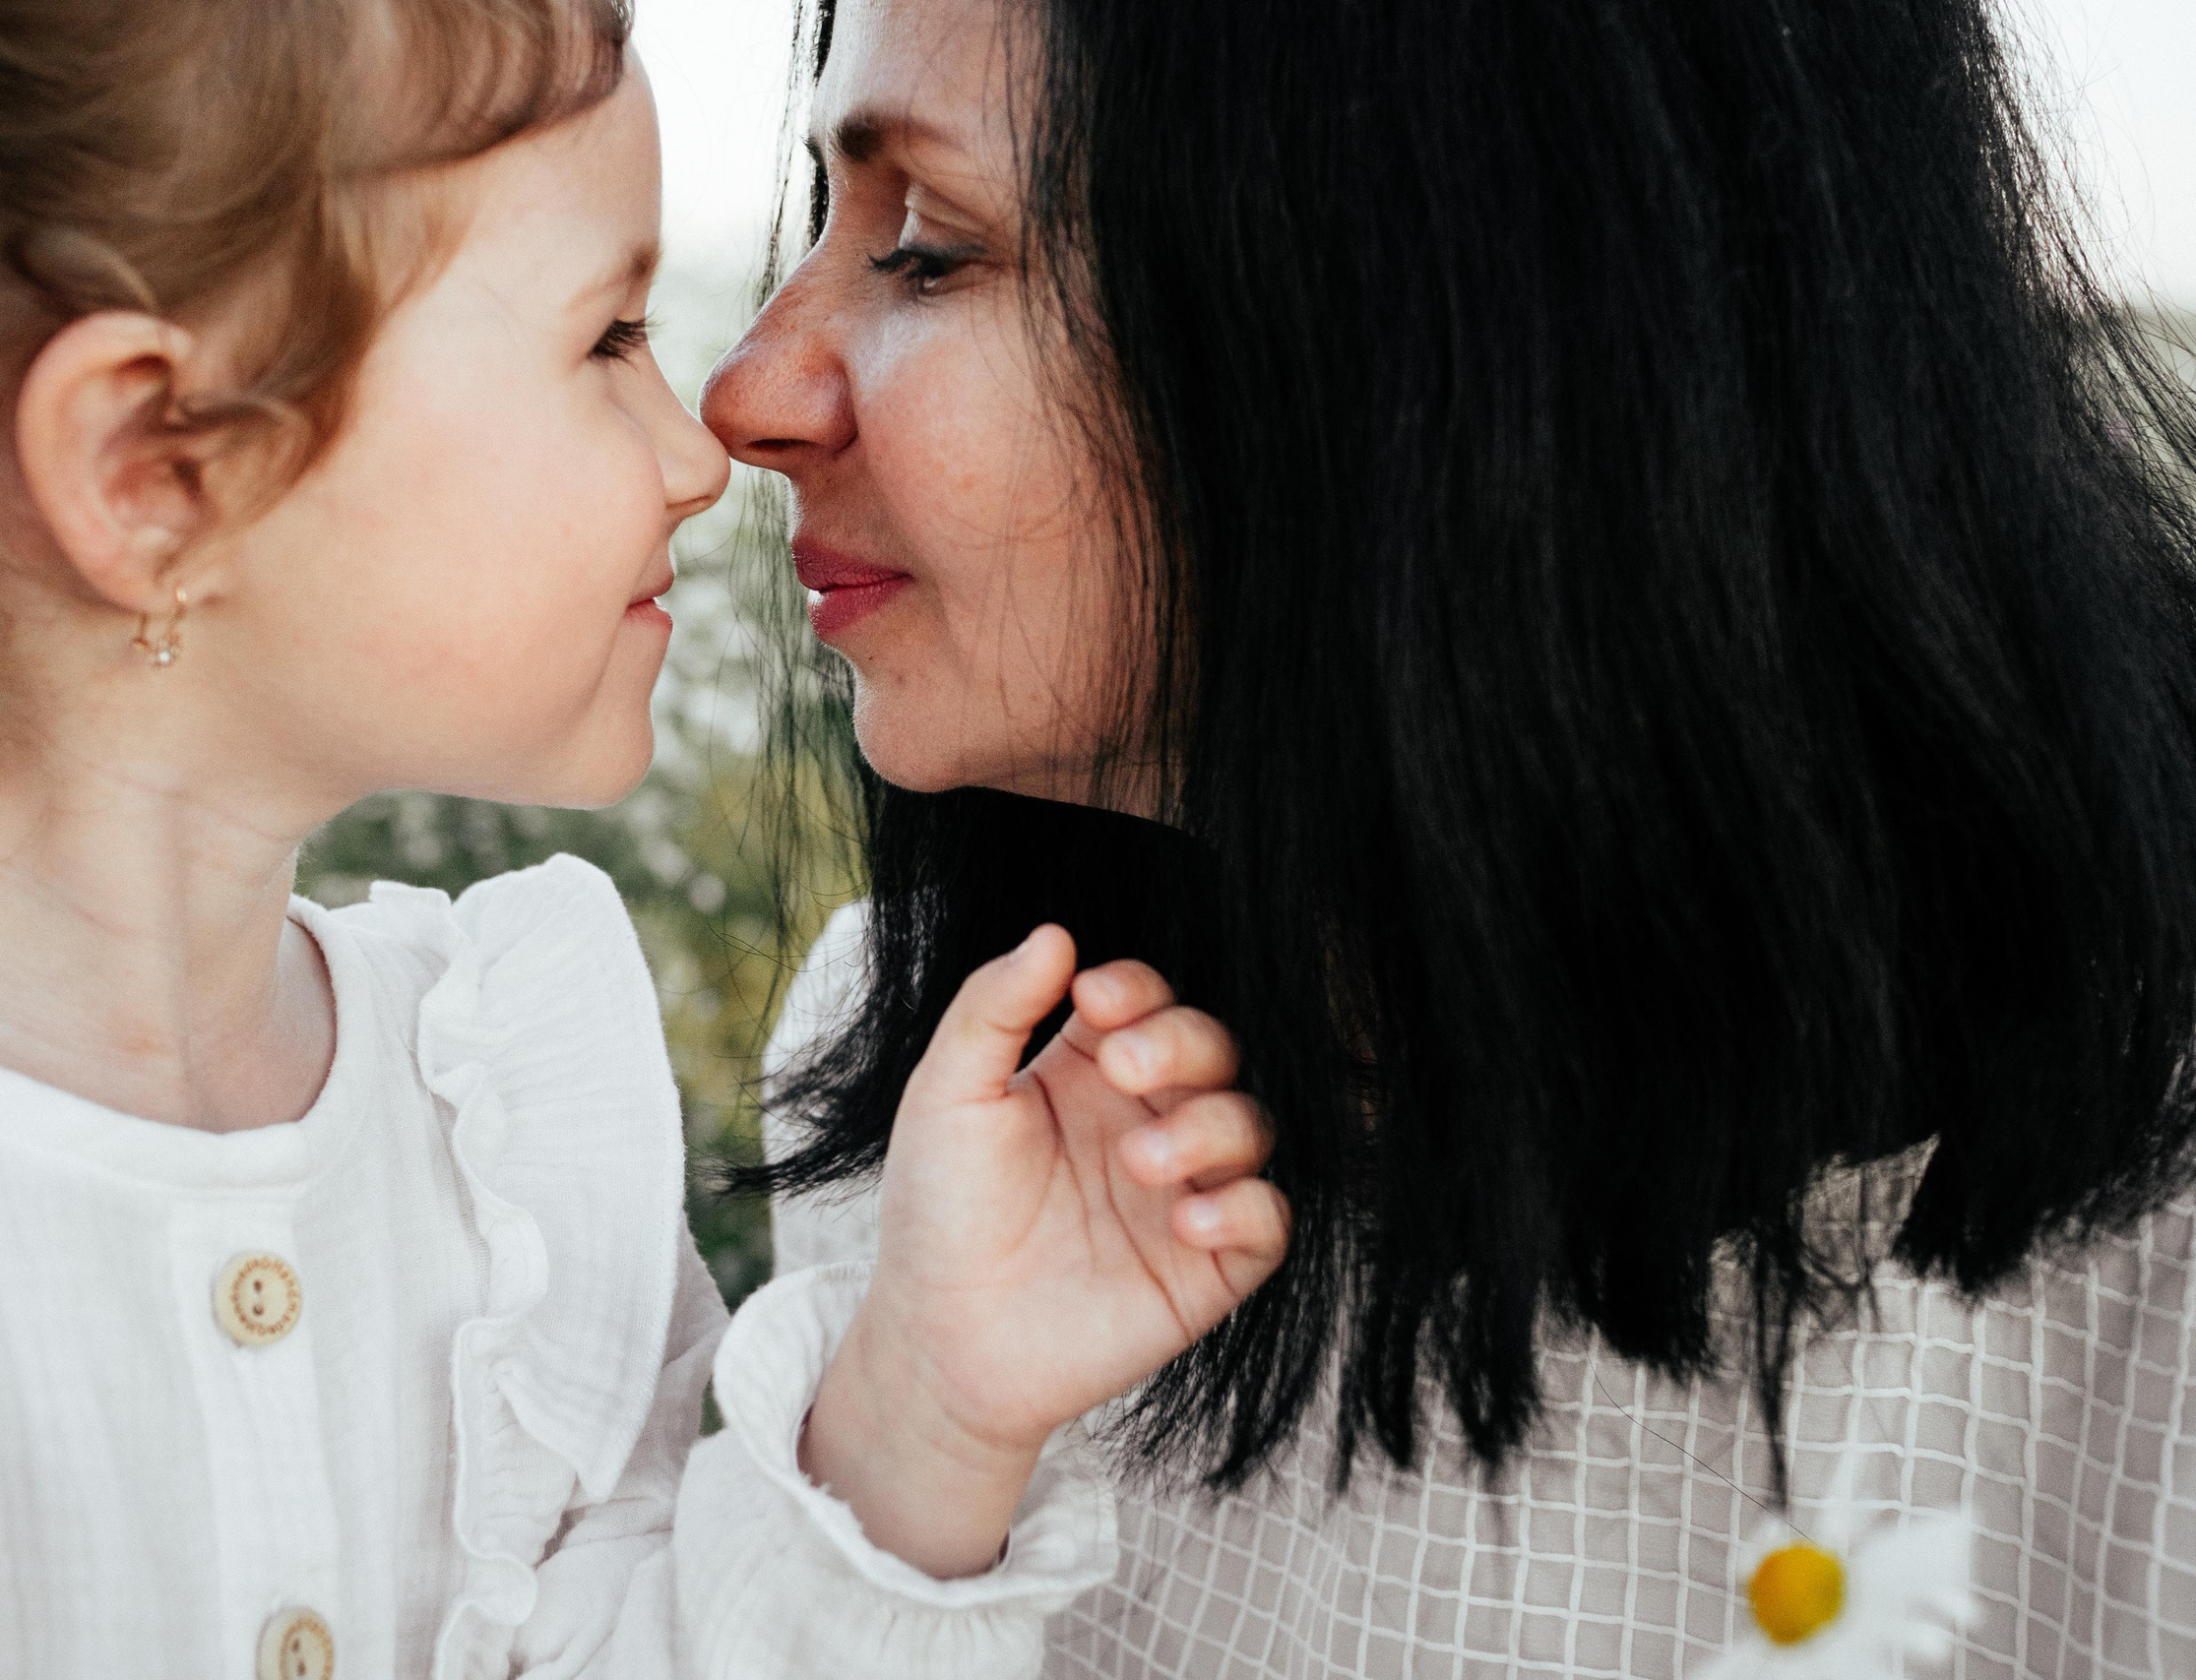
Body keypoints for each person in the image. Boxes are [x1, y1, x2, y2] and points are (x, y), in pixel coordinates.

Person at [0, 3, 1291, 1676]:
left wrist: (919, 1422)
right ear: (153, 469)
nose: (700, 449)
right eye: (606, 338)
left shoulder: (514, 1123)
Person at [701, 0, 2196, 1672]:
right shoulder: (955, 1113)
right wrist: (900, 1469)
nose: (747, 392)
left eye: (928, 244)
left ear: (1441, 307)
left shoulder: (2148, 1300)